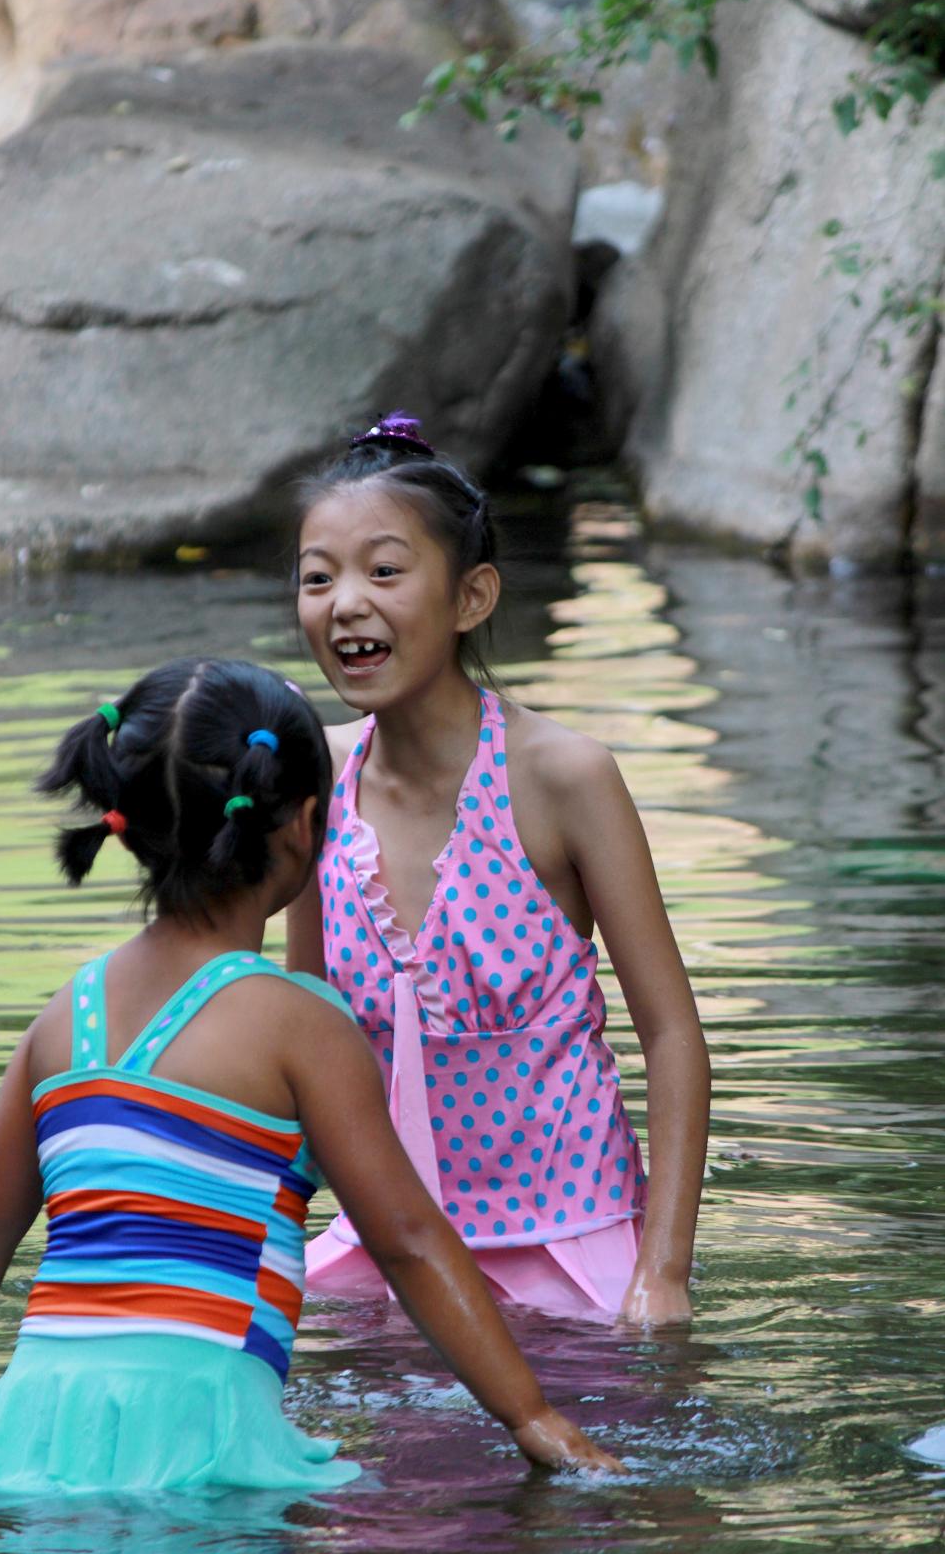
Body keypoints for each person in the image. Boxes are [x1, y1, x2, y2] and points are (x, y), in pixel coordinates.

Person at [0, 656, 621, 1492]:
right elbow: (406, 1240)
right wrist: (531, 1415)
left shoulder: (62, 1019)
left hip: (32, 1425)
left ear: (127, 824)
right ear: (305, 824)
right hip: (207, 1429)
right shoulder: (300, 1024)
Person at [288, 417, 711, 1327]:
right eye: (318, 576)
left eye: (384, 570)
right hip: (385, 1249)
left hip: (573, 1244)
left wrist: (661, 1275)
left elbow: (671, 1036)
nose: (344, 602)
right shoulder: (314, 778)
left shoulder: (562, 775)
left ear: (471, 596)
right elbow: (302, 1037)